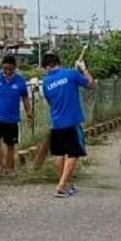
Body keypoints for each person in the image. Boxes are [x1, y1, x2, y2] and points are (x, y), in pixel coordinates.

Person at [42, 51, 97, 197]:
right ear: (58, 62)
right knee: (73, 154)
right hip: (72, 122)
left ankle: (66, 184)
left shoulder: (46, 82)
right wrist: (83, 69)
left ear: (46, 66)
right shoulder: (70, 74)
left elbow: (49, 102)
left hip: (56, 122)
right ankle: (61, 186)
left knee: (59, 154)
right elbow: (92, 85)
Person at [0, 55, 33, 177]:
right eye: (5, 69)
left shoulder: (20, 81)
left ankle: (9, 169)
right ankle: (0, 168)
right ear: (2, 68)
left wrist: (29, 114)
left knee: (10, 145)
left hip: (12, 119)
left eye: (10, 69)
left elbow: (25, 99)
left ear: (15, 68)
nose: (8, 72)